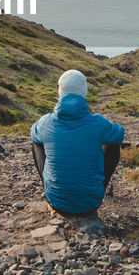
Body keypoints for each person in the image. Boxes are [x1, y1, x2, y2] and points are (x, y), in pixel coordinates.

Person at [30, 69, 124, 216]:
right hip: (90, 204)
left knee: (37, 142)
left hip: (57, 202)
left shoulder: (45, 122)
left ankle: (53, 191)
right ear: (85, 91)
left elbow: (32, 132)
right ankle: (96, 189)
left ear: (59, 91)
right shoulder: (99, 123)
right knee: (112, 143)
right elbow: (120, 134)